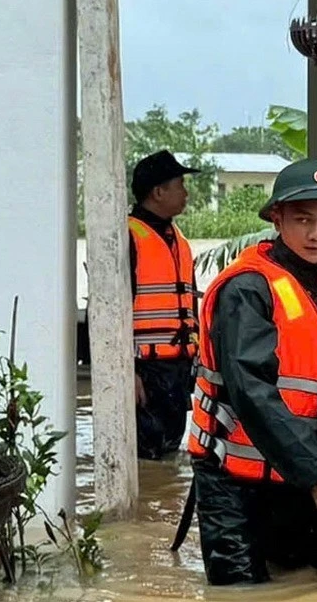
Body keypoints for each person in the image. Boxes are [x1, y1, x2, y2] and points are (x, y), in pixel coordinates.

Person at [183, 159, 317, 586]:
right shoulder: (247, 289)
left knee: (305, 580)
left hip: (296, 474)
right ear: (277, 219)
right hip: (234, 479)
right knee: (240, 591)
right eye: (303, 220)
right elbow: (251, 391)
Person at [128, 150, 201, 460]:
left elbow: (190, 308)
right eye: (180, 184)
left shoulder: (178, 240)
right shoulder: (127, 236)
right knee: (145, 455)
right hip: (145, 370)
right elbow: (108, 313)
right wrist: (126, 373)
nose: (186, 192)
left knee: (168, 457)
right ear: (158, 192)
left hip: (177, 368)